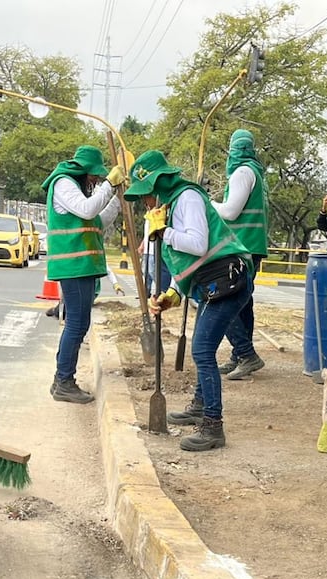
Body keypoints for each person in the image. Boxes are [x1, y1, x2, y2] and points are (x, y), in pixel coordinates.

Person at [125, 149, 254, 452]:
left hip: (229, 279)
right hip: (212, 283)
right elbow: (186, 265)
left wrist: (164, 232)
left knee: (202, 349)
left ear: (160, 185)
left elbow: (198, 244)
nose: (145, 201)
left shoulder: (187, 199)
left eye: (148, 194)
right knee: (203, 345)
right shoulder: (169, 206)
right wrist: (172, 294)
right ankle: (199, 404)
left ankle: (213, 426)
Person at [42, 145, 124, 403]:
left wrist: (118, 199)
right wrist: (109, 185)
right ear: (82, 170)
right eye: (95, 176)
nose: (97, 180)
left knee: (80, 324)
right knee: (76, 324)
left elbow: (97, 220)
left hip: (83, 267)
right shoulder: (64, 183)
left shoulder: (78, 191)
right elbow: (89, 210)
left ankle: (62, 380)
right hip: (73, 267)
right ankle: (64, 381)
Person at [211, 128, 269, 380]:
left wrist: (208, 204)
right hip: (250, 247)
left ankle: (246, 354)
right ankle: (239, 356)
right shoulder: (255, 172)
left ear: (233, 149)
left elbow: (230, 212)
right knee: (244, 302)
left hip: (240, 248)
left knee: (227, 301)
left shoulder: (242, 173)